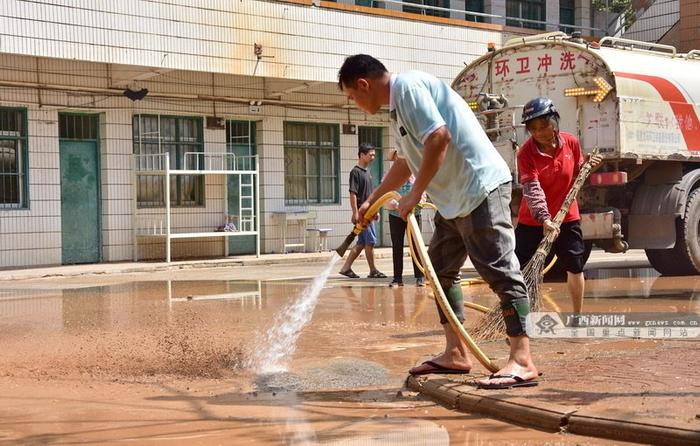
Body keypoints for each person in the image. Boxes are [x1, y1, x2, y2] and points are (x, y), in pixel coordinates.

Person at [338, 54, 538, 389]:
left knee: (500, 271)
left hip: (479, 187)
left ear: (363, 84)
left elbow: (439, 137)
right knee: (440, 271)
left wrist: (415, 194)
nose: (354, 104)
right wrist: (372, 200)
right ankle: (457, 352)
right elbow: (406, 162)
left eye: (352, 97)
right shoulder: (397, 110)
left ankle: (522, 360)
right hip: (453, 200)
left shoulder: (410, 88)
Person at [515, 97, 602, 315]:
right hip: (533, 221)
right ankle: (524, 318)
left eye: (544, 126)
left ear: (555, 121)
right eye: (533, 129)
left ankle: (577, 316)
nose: (540, 133)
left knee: (574, 265)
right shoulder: (526, 154)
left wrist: (589, 167)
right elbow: (532, 189)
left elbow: (578, 173)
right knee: (521, 270)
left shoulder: (570, 142)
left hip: (567, 217)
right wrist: (544, 219)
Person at [339, 143, 387, 279]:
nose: (373, 157)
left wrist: (375, 210)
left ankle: (346, 267)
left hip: (369, 212)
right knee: (370, 242)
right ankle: (373, 270)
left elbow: (370, 195)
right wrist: (355, 212)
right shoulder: (355, 172)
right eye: (370, 155)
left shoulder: (367, 173)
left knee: (361, 243)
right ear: (362, 155)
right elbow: (353, 193)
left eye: (374, 155)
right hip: (362, 214)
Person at [386, 149, 425, 288]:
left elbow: (423, 194)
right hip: (396, 215)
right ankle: (397, 278)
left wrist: (415, 203)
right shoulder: (389, 176)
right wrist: (398, 205)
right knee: (397, 246)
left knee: (416, 245)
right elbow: (385, 198)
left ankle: (420, 277)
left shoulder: (417, 173)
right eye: (397, 158)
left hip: (414, 215)